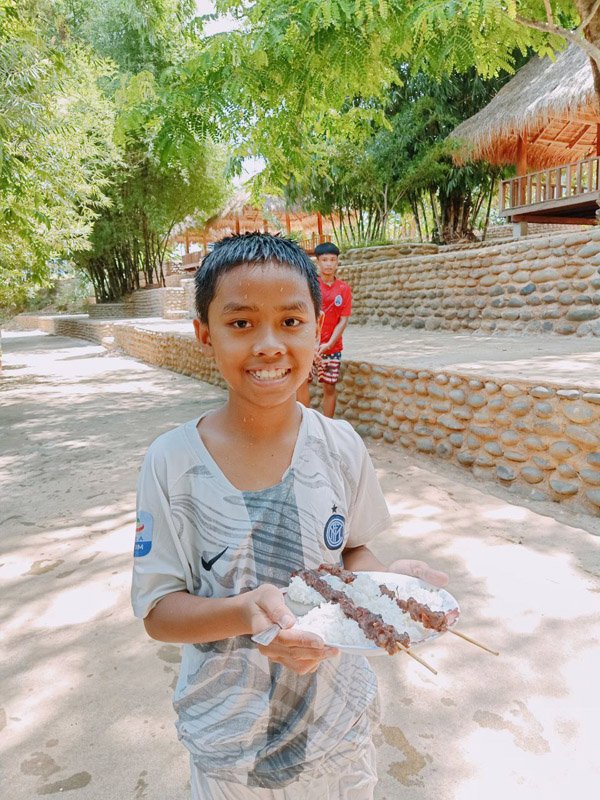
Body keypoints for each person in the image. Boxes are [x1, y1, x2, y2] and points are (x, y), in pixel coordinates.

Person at [131, 233, 448, 800]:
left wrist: (385, 588)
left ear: (318, 326)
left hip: (339, 725)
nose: (270, 345)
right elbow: (159, 613)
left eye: (292, 321)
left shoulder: (341, 445)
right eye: (242, 323)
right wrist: (245, 613)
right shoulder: (172, 463)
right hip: (228, 736)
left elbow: (353, 550)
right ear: (205, 333)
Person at [297, 241, 351, 418]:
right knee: (302, 382)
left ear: (337, 262)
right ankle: (306, 423)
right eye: (324, 259)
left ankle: (328, 425)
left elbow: (343, 320)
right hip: (308, 347)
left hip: (332, 348)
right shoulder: (310, 287)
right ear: (317, 262)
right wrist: (313, 344)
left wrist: (329, 343)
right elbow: (305, 316)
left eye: (332, 260)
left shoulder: (344, 289)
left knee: (329, 385)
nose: (329, 264)